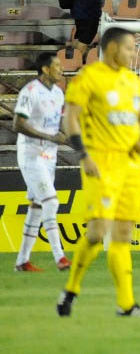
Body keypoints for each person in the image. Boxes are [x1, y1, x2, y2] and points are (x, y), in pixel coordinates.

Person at [58, 26, 140, 318]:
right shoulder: (89, 78)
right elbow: (72, 120)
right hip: (100, 163)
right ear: (113, 48)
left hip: (131, 165)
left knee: (123, 234)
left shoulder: (132, 81)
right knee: (96, 233)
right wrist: (83, 155)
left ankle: (126, 304)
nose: (133, 53)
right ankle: (71, 289)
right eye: (130, 48)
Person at [12, 51, 69, 273]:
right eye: (57, 65)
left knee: (37, 206)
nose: (61, 69)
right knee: (51, 202)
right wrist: (48, 137)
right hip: (31, 153)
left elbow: (58, 128)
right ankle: (60, 257)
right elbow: (17, 124)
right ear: (45, 69)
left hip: (50, 156)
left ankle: (22, 261)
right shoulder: (30, 91)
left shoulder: (58, 93)